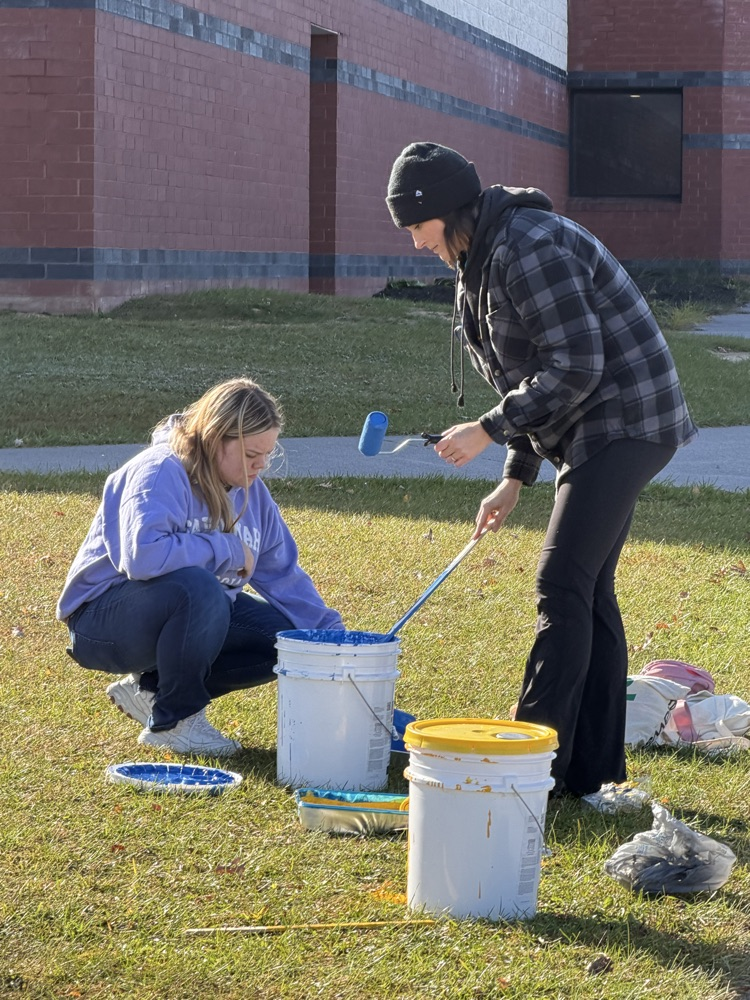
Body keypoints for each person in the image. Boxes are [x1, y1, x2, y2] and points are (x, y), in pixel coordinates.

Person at [386, 141, 697, 797]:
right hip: (598, 426)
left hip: (626, 419)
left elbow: (577, 367)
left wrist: (488, 429)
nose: (416, 243)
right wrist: (514, 475)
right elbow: (530, 374)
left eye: (416, 227)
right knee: (588, 593)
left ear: (446, 210)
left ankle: (526, 769)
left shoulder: (527, 246)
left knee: (562, 585)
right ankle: (589, 774)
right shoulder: (483, 255)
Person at [56, 377, 343, 756]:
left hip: (185, 609)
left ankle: (151, 691)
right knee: (199, 587)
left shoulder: (253, 494)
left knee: (290, 642)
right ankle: (175, 721)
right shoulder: (159, 471)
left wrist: (335, 641)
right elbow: (142, 558)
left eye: (267, 454)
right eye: (251, 455)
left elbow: (283, 575)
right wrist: (226, 548)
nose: (261, 466)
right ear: (214, 438)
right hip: (103, 624)